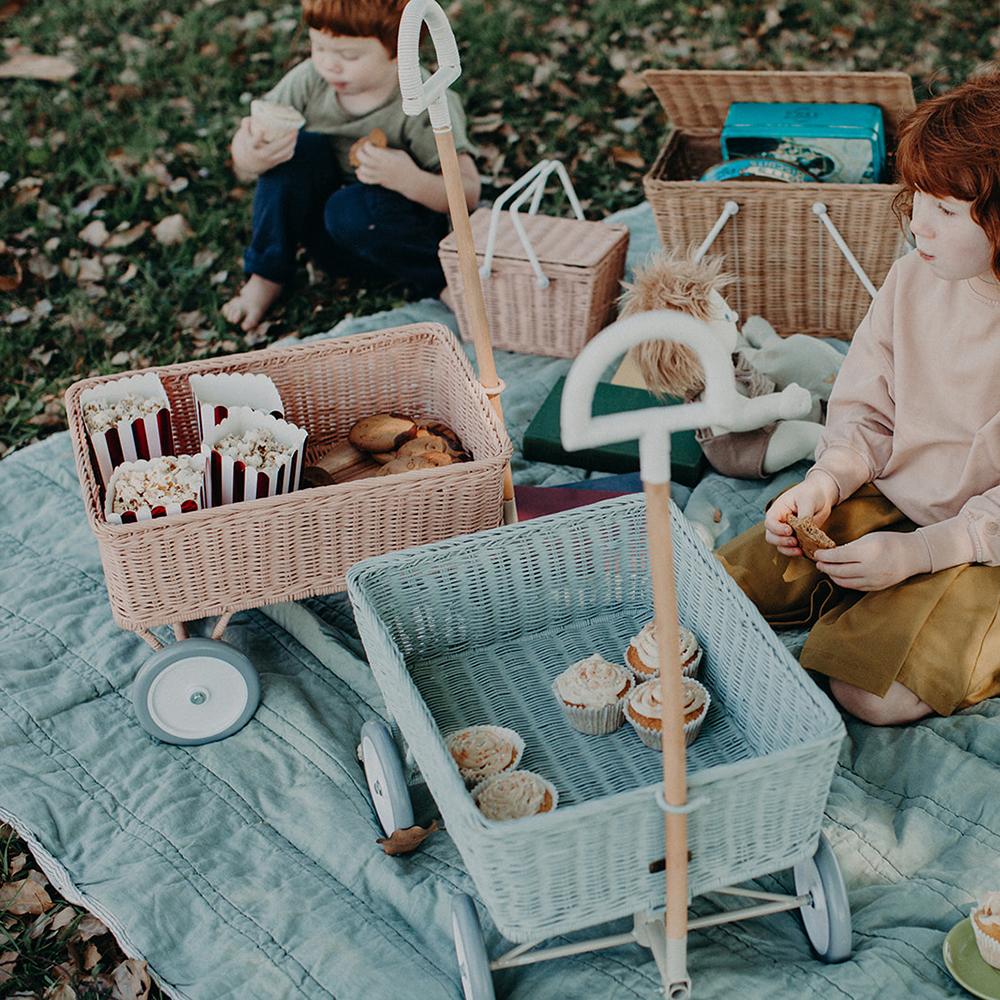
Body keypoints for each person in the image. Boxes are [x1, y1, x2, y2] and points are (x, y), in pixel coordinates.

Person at [716, 72, 1000, 726]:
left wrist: (922, 554)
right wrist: (827, 482)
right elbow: (865, 408)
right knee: (728, 587)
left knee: (871, 694)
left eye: (947, 211)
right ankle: (876, 595)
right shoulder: (913, 279)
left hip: (986, 543)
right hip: (897, 498)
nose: (919, 225)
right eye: (917, 199)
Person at [222, 0, 479, 331]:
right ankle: (266, 274)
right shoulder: (310, 81)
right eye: (319, 47)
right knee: (297, 151)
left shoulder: (423, 97)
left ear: (400, 47)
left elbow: (469, 193)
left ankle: (443, 283)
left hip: (395, 235)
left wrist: (409, 179)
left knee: (350, 208)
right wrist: (250, 155)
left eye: (349, 56)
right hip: (326, 237)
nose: (330, 65)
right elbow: (246, 158)